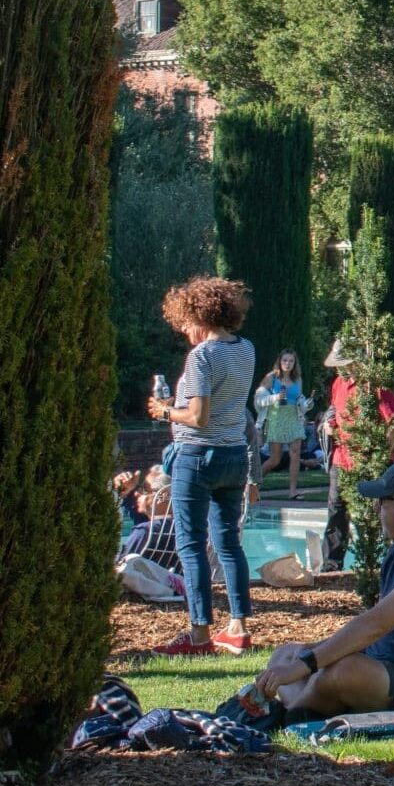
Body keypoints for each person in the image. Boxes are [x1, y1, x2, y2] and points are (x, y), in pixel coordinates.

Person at [255, 462, 394, 718]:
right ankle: (307, 703)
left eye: (382, 501)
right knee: (286, 654)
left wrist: (306, 665)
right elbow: (371, 631)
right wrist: (306, 656)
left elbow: (375, 624)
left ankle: (287, 716)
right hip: (387, 667)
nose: (376, 508)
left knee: (342, 671)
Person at [145, 276, 258, 657]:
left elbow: (197, 416)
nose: (185, 333)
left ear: (200, 315)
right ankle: (238, 628)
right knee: (228, 543)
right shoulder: (246, 350)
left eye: (186, 325)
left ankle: (199, 635)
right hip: (233, 456)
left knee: (190, 546)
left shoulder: (202, 356)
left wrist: (163, 411)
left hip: (197, 457)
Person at [321, 339, 394, 573]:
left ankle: (387, 563)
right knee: (336, 510)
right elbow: (336, 412)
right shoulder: (339, 383)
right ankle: (331, 564)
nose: (340, 369)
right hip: (342, 458)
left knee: (380, 512)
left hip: (371, 459)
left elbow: (393, 421)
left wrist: (381, 454)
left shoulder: (376, 385)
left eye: (344, 364)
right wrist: (330, 425)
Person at [255, 348, 308, 499]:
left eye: (291, 361)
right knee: (275, 459)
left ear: (294, 363)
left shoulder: (297, 379)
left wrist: (305, 404)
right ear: (280, 361)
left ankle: (292, 491)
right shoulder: (271, 377)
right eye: (285, 360)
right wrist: (274, 398)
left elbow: (298, 399)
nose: (288, 363)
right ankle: (252, 485)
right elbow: (258, 399)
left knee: (295, 453)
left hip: (293, 417)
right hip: (276, 417)